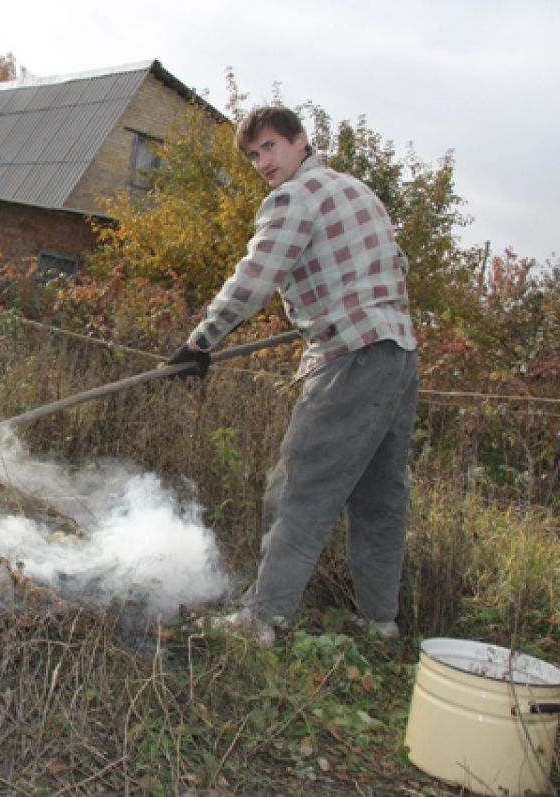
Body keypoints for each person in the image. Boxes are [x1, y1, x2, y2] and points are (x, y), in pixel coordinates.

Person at [166, 105, 419, 646]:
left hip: (350, 358)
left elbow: (255, 278)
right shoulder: (357, 190)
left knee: (298, 489)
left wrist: (200, 341)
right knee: (379, 497)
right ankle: (380, 623)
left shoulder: (294, 198)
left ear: (301, 141)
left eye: (270, 147)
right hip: (397, 352)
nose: (262, 162)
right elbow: (396, 267)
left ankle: (261, 620)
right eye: (253, 155)